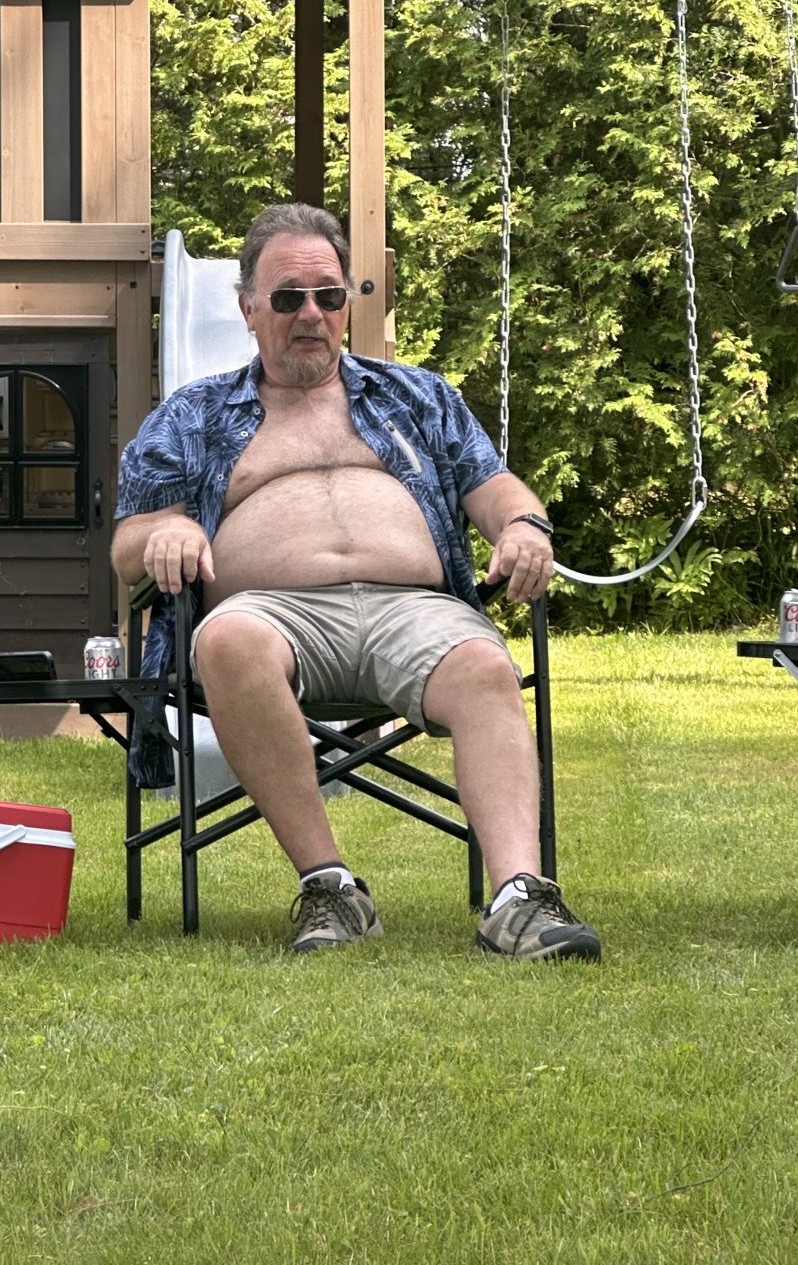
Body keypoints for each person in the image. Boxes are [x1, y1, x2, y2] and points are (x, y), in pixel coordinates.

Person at [113, 203, 600, 962]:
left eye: (328, 296)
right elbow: (126, 548)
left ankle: (519, 901)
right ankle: (330, 887)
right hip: (270, 617)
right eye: (287, 297)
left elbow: (496, 487)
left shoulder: (418, 396)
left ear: (346, 303)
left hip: (415, 610)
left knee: (483, 662)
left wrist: (524, 526)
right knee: (229, 641)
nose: (310, 314)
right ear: (247, 308)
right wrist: (164, 532)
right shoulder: (192, 415)